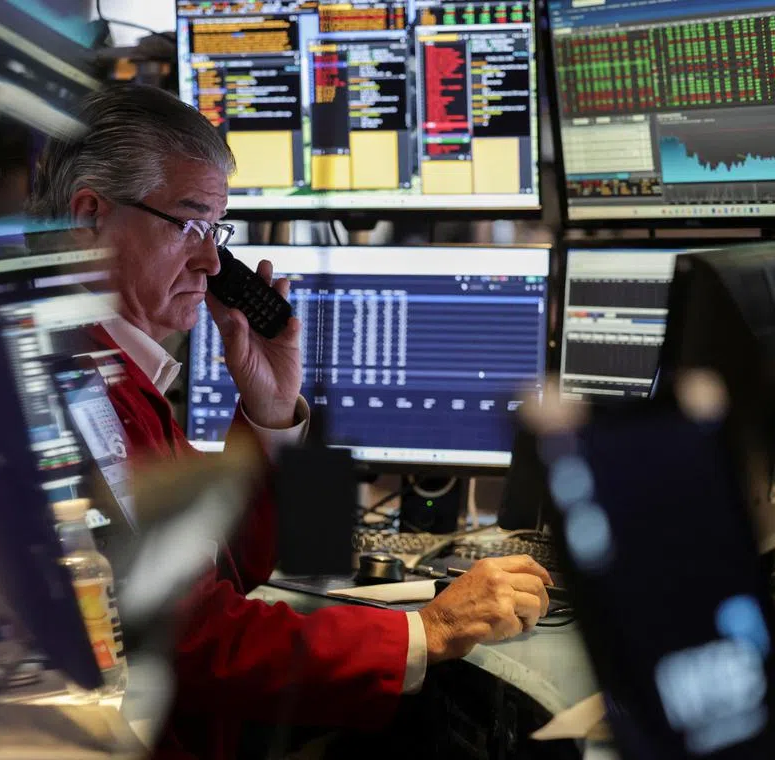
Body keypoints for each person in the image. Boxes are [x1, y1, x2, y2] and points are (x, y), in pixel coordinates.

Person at [27, 83, 553, 758]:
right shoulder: (72, 387)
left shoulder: (115, 370)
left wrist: (271, 411)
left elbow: (226, 569)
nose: (211, 262)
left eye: (216, 231)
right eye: (188, 225)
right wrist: (429, 630)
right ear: (91, 215)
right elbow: (189, 636)